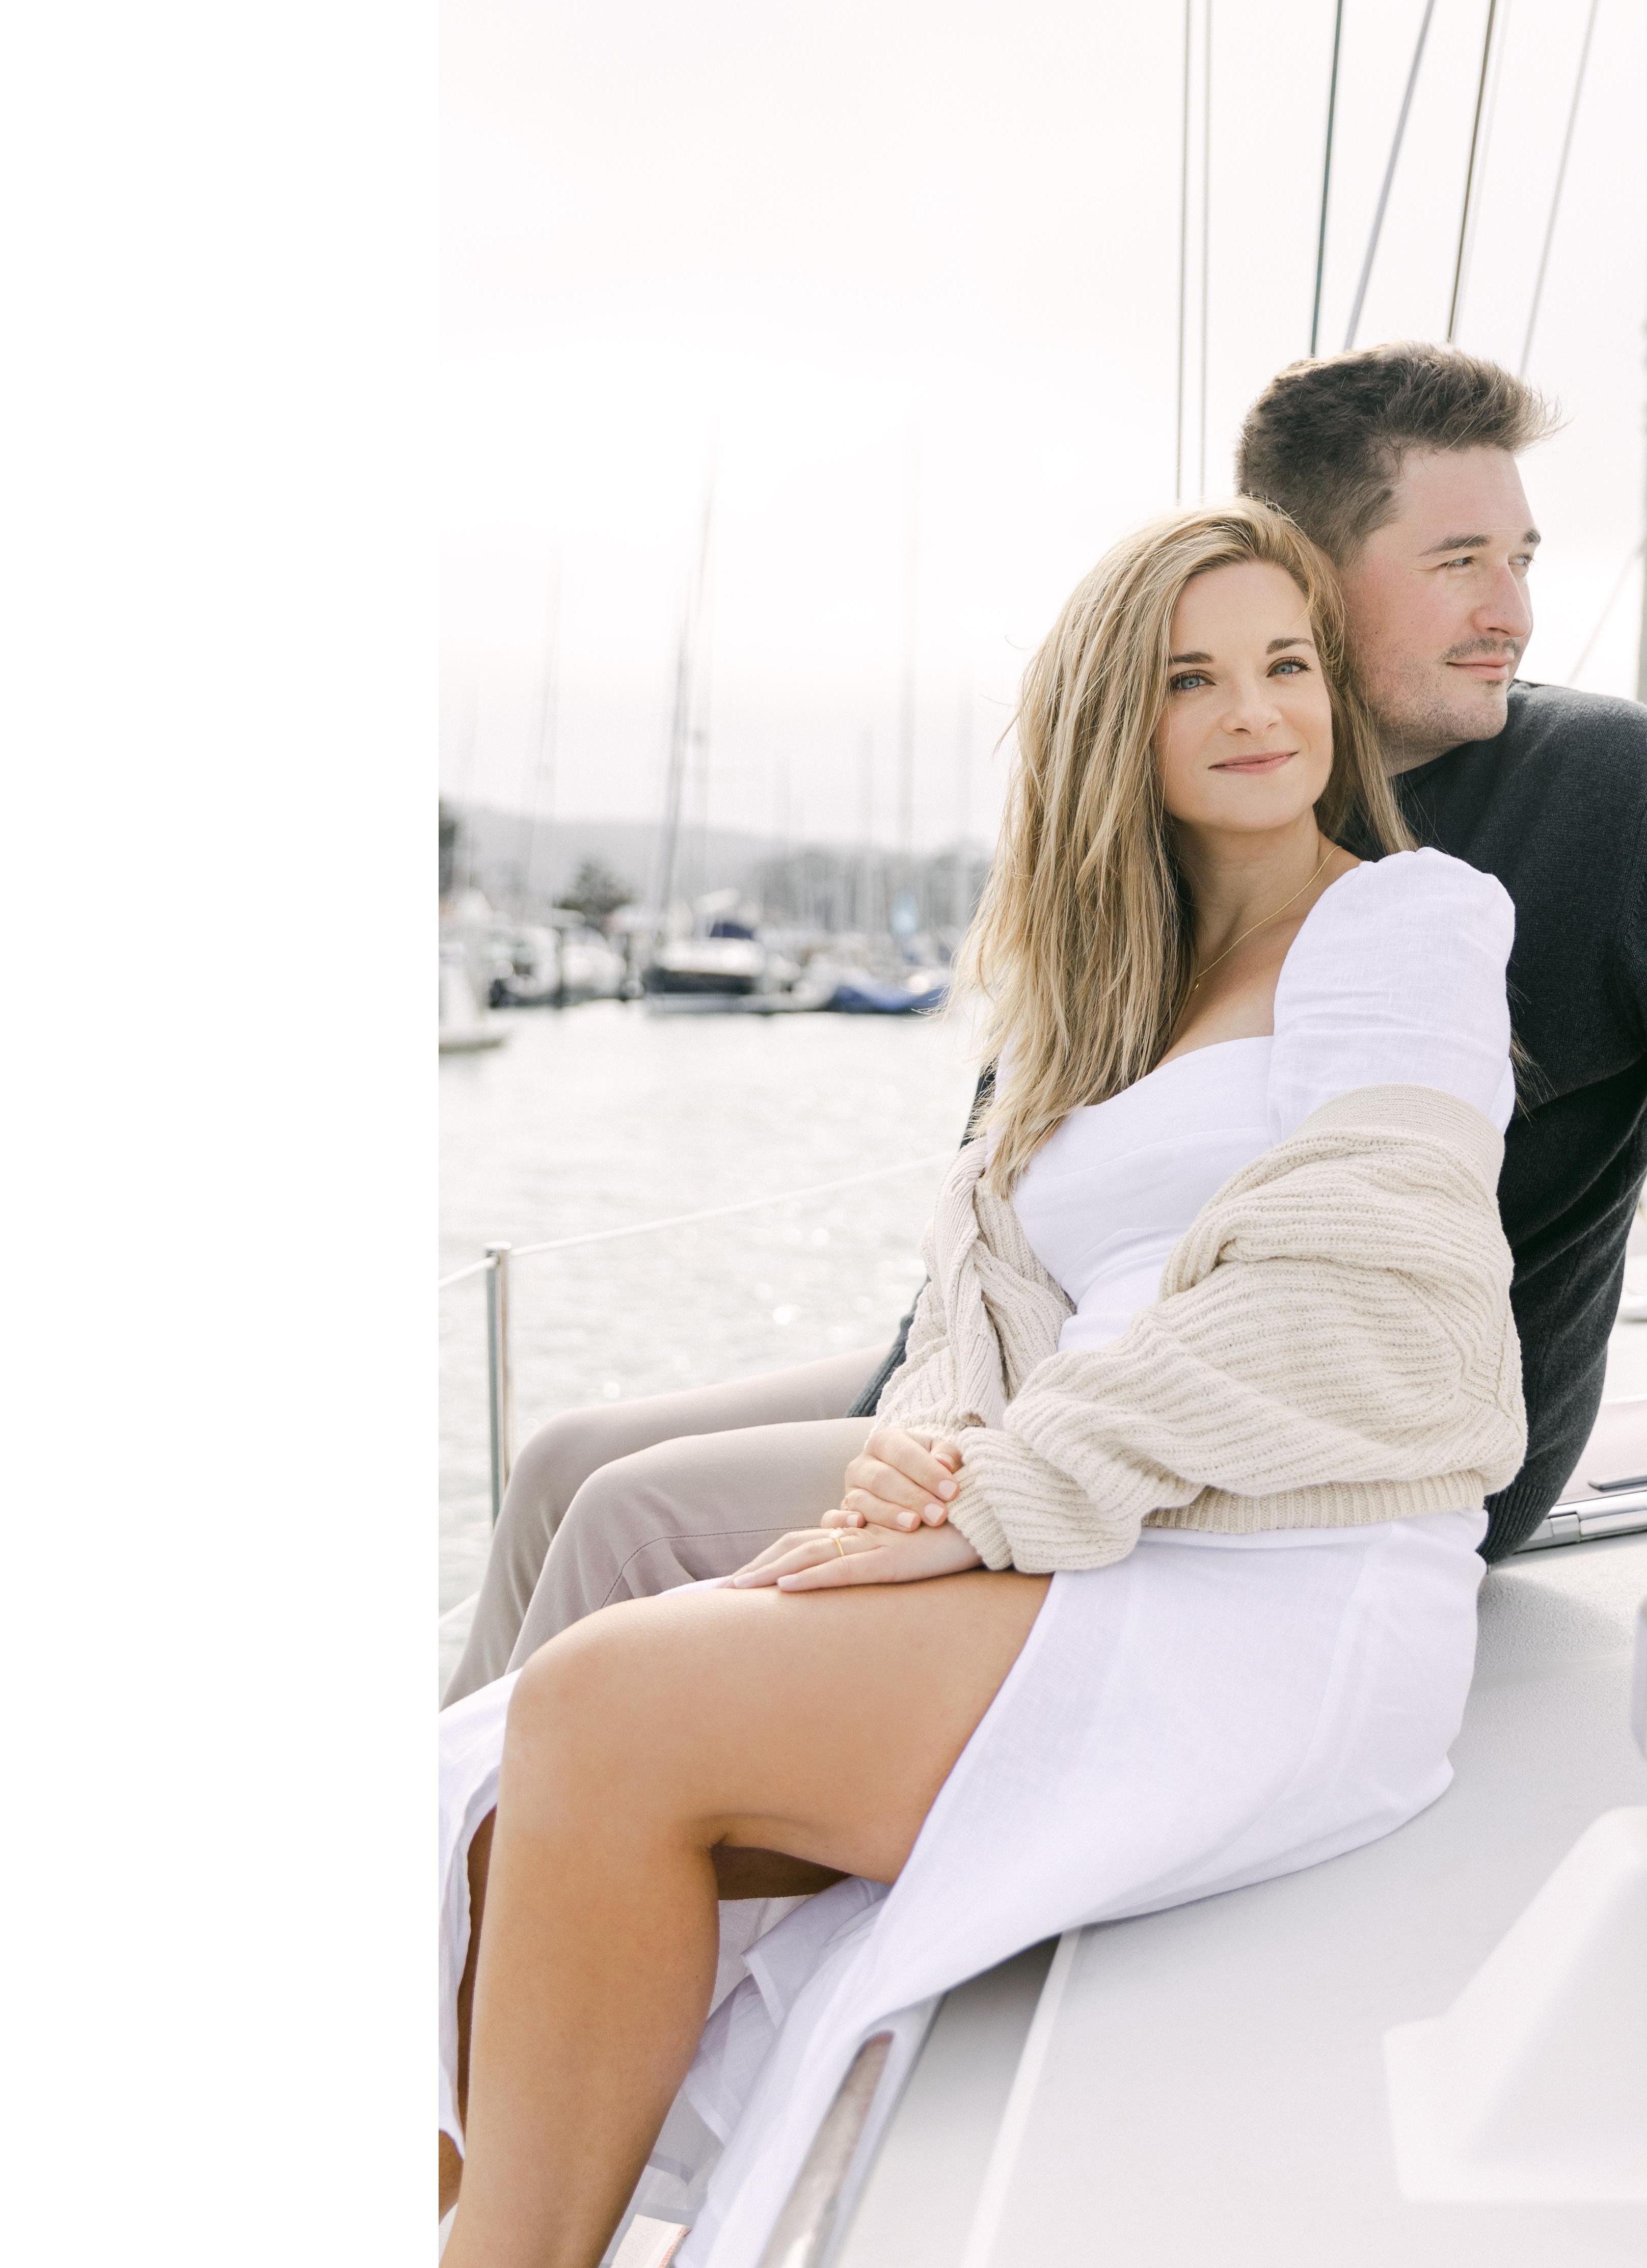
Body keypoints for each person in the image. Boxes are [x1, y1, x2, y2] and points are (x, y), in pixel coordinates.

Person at [444, 343, 1647, 1709]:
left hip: (1329, 1449)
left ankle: (507, 1991)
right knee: (564, 1465)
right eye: (1457, 562)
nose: (1512, 607)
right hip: (1047, 1380)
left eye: (1520, 557)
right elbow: (1005, 1196)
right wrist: (918, 1418)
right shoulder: (1163, 811)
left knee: (631, 1523)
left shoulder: (1613, 801)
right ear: (1305, 569)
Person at [440, 504, 1527, 2265]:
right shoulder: (1112, 993)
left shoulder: (1406, 924)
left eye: (1287, 665)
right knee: (478, 1820)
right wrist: (930, 1458)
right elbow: (982, 1318)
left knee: (596, 1708)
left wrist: (1001, 1495)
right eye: (1195, 677)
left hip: (1276, 1583)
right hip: (1084, 1543)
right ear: (1126, 724)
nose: (1258, 712)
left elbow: (1356, 1283)